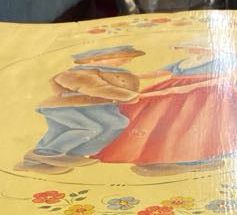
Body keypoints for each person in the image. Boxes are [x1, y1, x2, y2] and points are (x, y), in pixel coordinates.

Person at [93, 40, 237, 176]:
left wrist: (193, 86)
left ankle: (200, 159)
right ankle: (160, 155)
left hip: (209, 93)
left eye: (197, 46)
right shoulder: (186, 62)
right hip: (178, 91)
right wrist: (127, 76)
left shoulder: (225, 59)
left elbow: (234, 76)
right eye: (191, 47)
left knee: (200, 124)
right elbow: (158, 72)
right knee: (158, 117)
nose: (194, 50)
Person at [17, 45, 145, 173]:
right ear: (92, 60)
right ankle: (44, 153)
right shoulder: (76, 73)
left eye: (128, 58)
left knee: (117, 123)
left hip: (100, 107)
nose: (126, 61)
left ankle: (74, 153)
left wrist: (131, 95)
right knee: (86, 128)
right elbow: (95, 88)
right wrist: (129, 96)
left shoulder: (119, 73)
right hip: (66, 107)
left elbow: (127, 88)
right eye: (120, 57)